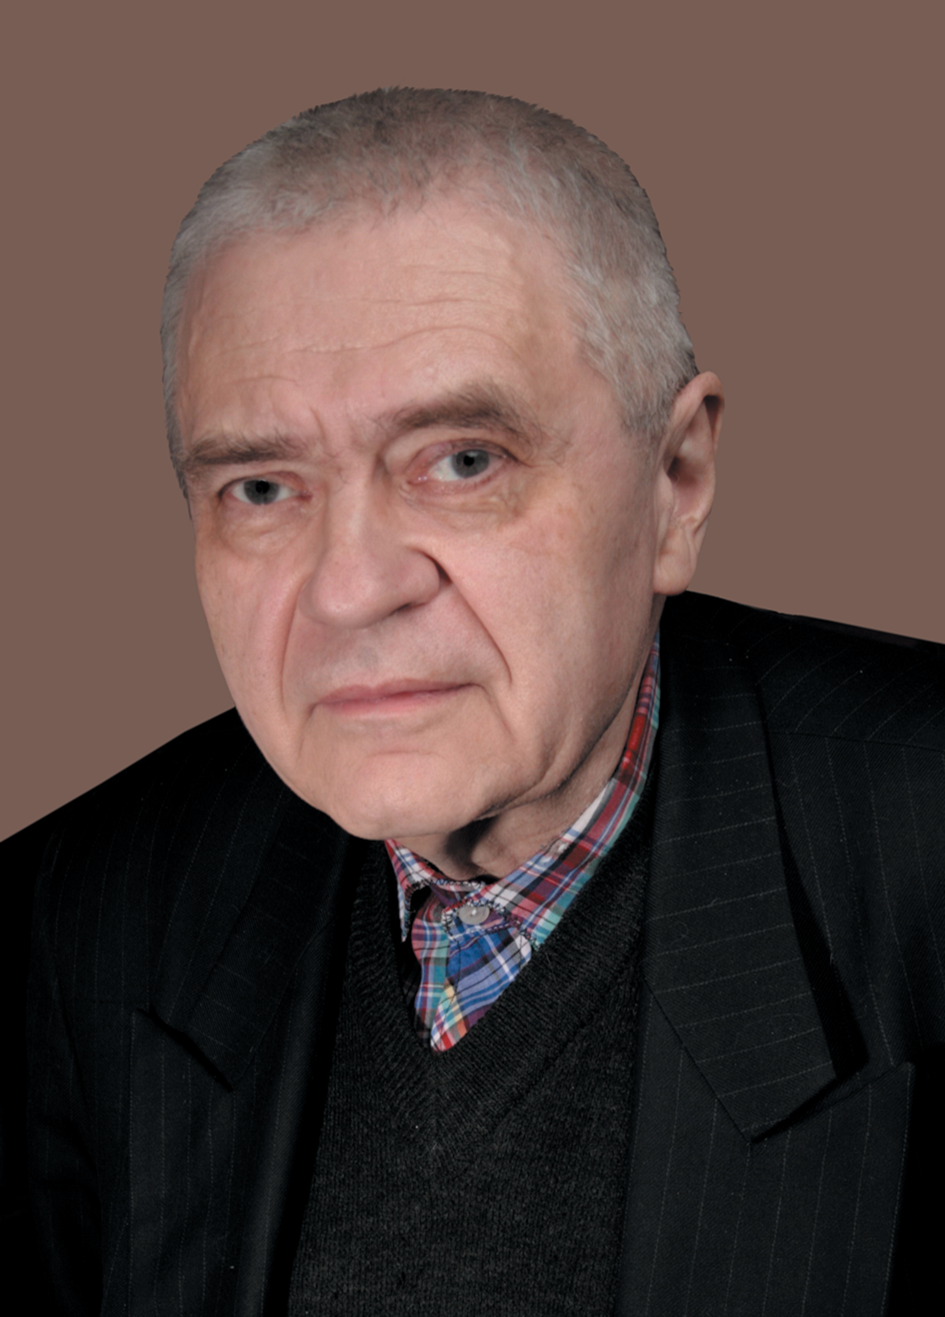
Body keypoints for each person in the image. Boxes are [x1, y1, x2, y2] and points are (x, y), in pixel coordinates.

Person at [8, 88, 943, 1315]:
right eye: (261, 488)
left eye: (462, 461)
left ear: (677, 481)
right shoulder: (77, 912)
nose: (350, 589)